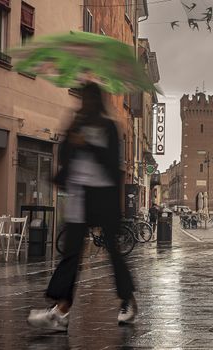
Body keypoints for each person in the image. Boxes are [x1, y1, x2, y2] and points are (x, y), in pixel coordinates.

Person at [27, 83, 137, 331]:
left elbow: (112, 165)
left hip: (103, 198)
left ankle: (127, 301)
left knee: (113, 253)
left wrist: (87, 143)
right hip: (79, 197)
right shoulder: (76, 124)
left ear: (96, 101)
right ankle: (62, 310)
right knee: (71, 254)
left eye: (87, 99)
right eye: (81, 99)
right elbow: (64, 155)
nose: (82, 104)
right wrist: (72, 140)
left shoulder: (109, 127)